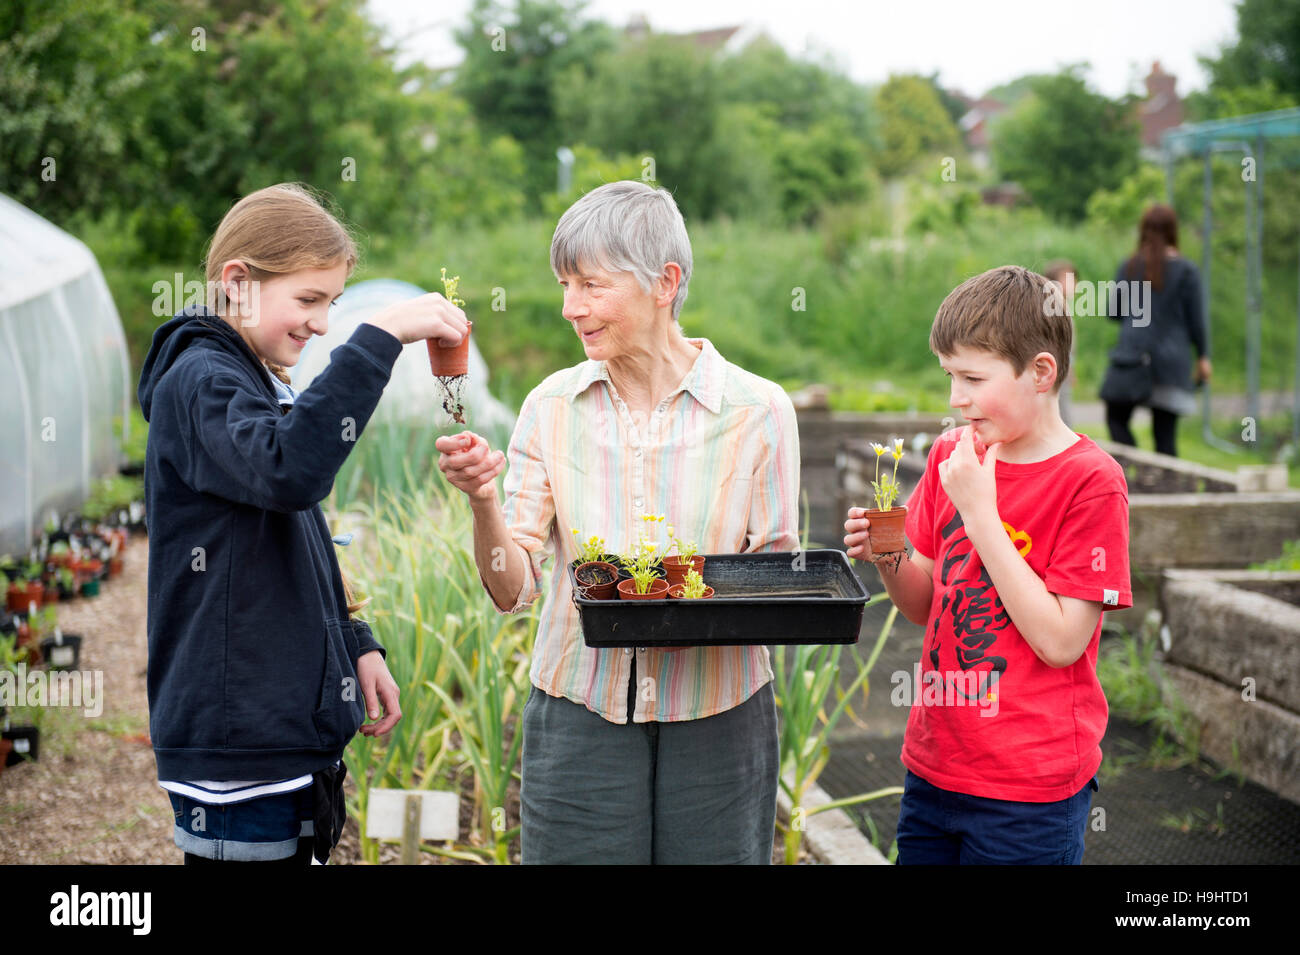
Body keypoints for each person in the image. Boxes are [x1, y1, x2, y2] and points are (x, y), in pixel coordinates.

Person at [435, 180, 799, 864]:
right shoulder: (551, 406)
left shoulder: (759, 410)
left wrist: (683, 603)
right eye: (565, 286)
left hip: (719, 713)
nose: (571, 308)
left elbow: (771, 583)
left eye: (591, 285)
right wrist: (483, 501)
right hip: (580, 706)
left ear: (665, 283)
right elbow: (513, 589)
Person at [137, 183, 467, 864]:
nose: (321, 323)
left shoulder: (245, 380)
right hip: (238, 747)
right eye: (309, 299)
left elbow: (293, 530)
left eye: (333, 306)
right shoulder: (201, 382)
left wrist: (353, 640)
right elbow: (291, 469)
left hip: (274, 738)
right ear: (238, 282)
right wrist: (382, 336)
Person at [844, 265, 1133, 865]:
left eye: (973, 377)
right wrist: (890, 553)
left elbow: (1061, 642)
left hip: (1030, 791)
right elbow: (923, 606)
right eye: (950, 375)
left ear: (1041, 372)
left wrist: (981, 513)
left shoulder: (1091, 482)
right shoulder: (955, 455)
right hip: (935, 766)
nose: (956, 398)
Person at [1100, 204, 1212, 457]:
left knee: (1116, 420)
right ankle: (1168, 488)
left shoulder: (1129, 267)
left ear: (1143, 230)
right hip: (1171, 362)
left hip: (1132, 358)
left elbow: (1114, 312)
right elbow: (1197, 322)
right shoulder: (1187, 271)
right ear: (1174, 231)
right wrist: (1203, 356)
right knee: (1165, 438)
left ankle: (1134, 470)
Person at [1042, 259, 1078, 429]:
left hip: (1062, 367)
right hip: (1054, 368)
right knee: (1059, 410)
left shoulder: (1061, 306)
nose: (1074, 284)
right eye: (1068, 279)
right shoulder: (1050, 306)